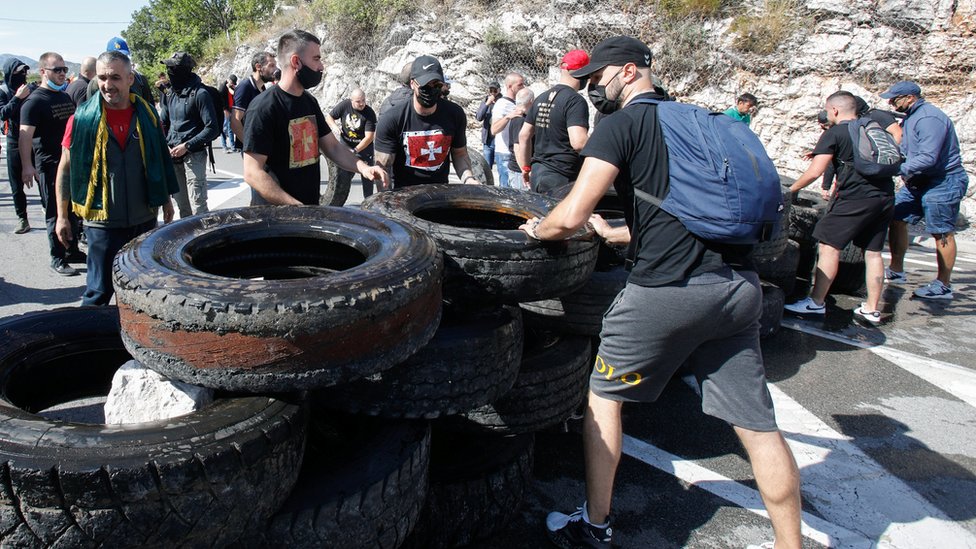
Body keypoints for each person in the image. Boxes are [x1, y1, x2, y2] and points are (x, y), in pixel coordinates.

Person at [520, 36, 801, 549]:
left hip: (665, 292)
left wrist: (535, 232)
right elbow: (679, 215)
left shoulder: (624, 125)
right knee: (759, 427)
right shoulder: (698, 122)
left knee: (603, 400)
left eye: (597, 80)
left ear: (628, 72)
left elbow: (570, 215)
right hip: (739, 289)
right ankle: (790, 545)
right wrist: (618, 233)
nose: (592, 91)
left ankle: (595, 524)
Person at [53, 50, 178, 306]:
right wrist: (63, 216)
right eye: (102, 78)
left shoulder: (148, 115)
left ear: (130, 78)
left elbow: (157, 159)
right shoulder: (81, 120)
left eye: (115, 77)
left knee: (143, 290)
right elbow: (65, 169)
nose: (108, 85)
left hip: (143, 219)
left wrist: (165, 199)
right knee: (98, 293)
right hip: (102, 223)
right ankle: (90, 343)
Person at [784, 91, 895, 324]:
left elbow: (815, 171)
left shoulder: (835, 132)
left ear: (834, 110)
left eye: (827, 109)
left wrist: (789, 191)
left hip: (854, 198)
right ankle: (872, 309)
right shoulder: (872, 128)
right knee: (873, 253)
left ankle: (815, 303)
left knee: (829, 246)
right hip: (884, 196)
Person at [242, 30, 387, 205]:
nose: (321, 67)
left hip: (309, 211)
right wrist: (295, 206)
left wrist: (364, 168)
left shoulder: (309, 101)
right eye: (316, 59)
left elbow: (332, 147)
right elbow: (252, 173)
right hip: (275, 220)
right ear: (296, 62)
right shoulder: (263, 107)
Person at [880, 81, 969, 300]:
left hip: (942, 182)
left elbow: (929, 157)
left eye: (895, 99)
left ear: (910, 98)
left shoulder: (929, 118)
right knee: (897, 217)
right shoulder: (911, 116)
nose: (891, 103)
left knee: (941, 231)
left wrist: (896, 169)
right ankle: (896, 270)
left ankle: (943, 285)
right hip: (918, 181)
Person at [19, 51, 85, 276]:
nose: (62, 74)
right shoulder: (34, 102)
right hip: (48, 165)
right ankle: (57, 257)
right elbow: (25, 136)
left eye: (64, 69)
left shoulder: (64, 96)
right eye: (57, 70)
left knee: (72, 210)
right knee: (55, 211)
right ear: (43, 72)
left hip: (69, 163)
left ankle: (72, 250)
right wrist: (27, 166)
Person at [374, 55, 477, 189]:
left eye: (436, 85)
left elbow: (459, 153)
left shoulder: (455, 114)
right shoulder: (392, 119)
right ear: (412, 84)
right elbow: (383, 167)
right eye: (425, 85)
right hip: (404, 195)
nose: (431, 89)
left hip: (440, 193)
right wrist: (385, 199)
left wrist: (469, 179)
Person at [516, 49, 591, 195]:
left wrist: (526, 168)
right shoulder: (575, 101)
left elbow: (524, 136)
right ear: (583, 73)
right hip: (561, 178)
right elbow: (578, 142)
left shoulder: (541, 98)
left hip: (538, 173)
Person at [159, 52, 218, 218]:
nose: (169, 71)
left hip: (194, 156)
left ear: (184, 70)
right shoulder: (170, 94)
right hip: (173, 156)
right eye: (168, 68)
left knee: (199, 208)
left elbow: (212, 128)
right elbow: (162, 122)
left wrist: (186, 146)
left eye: (173, 68)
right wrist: (165, 144)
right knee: (184, 210)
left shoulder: (201, 94)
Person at [0, 58, 34, 234]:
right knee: (16, 185)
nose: (23, 76)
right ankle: (22, 218)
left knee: (42, 179)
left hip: (34, 139)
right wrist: (17, 98)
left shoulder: (32, 89)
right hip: (14, 140)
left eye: (25, 72)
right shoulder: (4, 92)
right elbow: (3, 114)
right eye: (19, 73)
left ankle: (51, 212)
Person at [326, 88, 378, 198]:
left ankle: (367, 204)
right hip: (345, 145)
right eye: (358, 101)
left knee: (368, 177)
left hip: (363, 149)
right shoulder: (344, 105)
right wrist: (334, 126)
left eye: (363, 100)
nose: (362, 104)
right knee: (342, 178)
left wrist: (355, 151)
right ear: (352, 101)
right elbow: (329, 117)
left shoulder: (369, 113)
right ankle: (337, 203)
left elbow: (369, 137)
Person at [85, 37, 155, 105]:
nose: (108, 86)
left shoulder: (140, 80)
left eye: (123, 56)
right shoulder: (94, 84)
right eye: (115, 57)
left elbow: (149, 110)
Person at [230, 51, 277, 151]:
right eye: (271, 65)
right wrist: (250, 145)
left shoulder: (262, 88)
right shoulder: (245, 87)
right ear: (258, 67)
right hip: (254, 149)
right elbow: (235, 121)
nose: (275, 69)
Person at [489, 72, 526, 188]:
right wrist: (508, 116)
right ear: (510, 86)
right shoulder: (501, 104)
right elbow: (493, 130)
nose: (523, 87)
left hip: (515, 153)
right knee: (506, 192)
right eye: (520, 85)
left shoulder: (517, 103)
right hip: (505, 153)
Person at [506, 87, 534, 190]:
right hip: (518, 171)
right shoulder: (520, 120)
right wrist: (524, 170)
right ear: (531, 101)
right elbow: (517, 147)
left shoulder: (522, 117)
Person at [475, 81, 500, 168]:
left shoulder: (502, 101)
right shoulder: (486, 100)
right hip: (488, 140)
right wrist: (487, 104)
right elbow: (479, 117)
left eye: (495, 90)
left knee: (501, 167)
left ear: (499, 90)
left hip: (499, 139)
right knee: (487, 167)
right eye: (491, 90)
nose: (493, 93)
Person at [218, 74, 237, 151]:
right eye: (232, 82)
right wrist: (225, 109)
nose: (233, 84)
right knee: (224, 128)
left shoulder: (231, 87)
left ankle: (232, 146)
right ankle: (224, 146)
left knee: (231, 128)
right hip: (225, 109)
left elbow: (234, 94)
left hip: (231, 108)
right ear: (228, 80)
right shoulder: (222, 87)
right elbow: (220, 100)